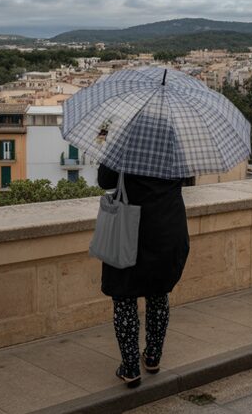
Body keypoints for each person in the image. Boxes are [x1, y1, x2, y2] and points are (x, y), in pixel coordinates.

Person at [97, 163, 191, 387]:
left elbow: (105, 181)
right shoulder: (174, 144)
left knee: (124, 296)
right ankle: (152, 357)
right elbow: (186, 178)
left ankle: (130, 367)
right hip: (168, 228)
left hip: (130, 230)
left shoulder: (126, 144)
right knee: (158, 294)